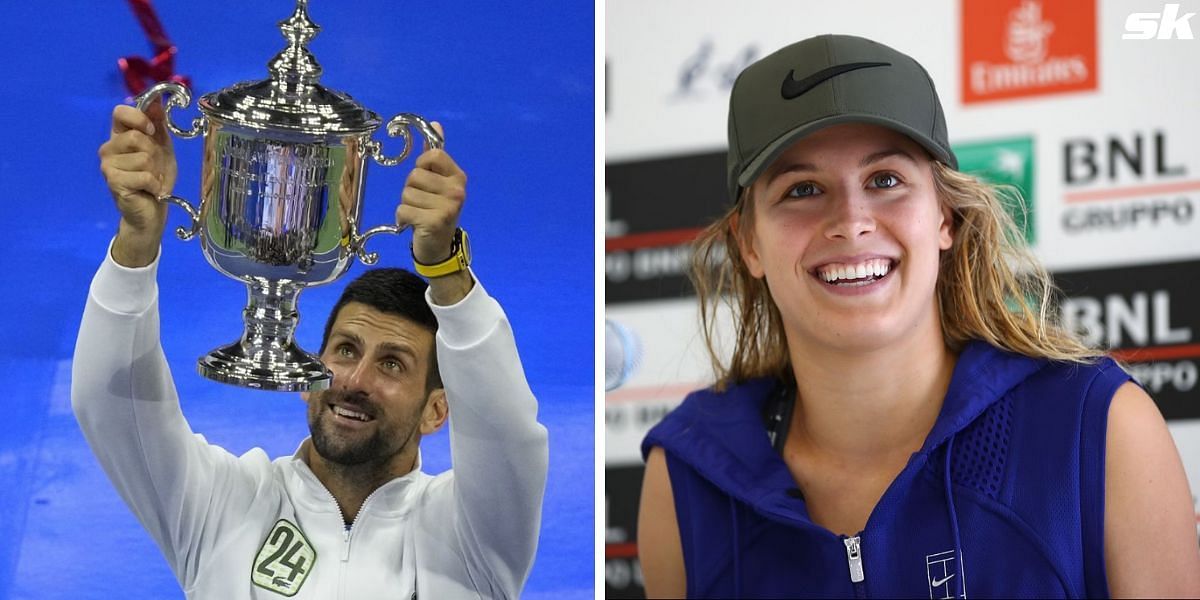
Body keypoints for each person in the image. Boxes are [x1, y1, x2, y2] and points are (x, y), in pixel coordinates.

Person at [637, 34, 1200, 598]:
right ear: (749, 243)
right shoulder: (688, 478)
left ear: (945, 216)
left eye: (885, 180)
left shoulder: (1098, 429)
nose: (851, 221)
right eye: (802, 189)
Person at [74, 101, 549, 599]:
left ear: (436, 411)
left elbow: (507, 434)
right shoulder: (221, 507)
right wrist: (137, 240)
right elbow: (110, 404)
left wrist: (446, 273)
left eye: (392, 364)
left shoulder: (470, 537)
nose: (354, 380)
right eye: (345, 351)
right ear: (308, 378)